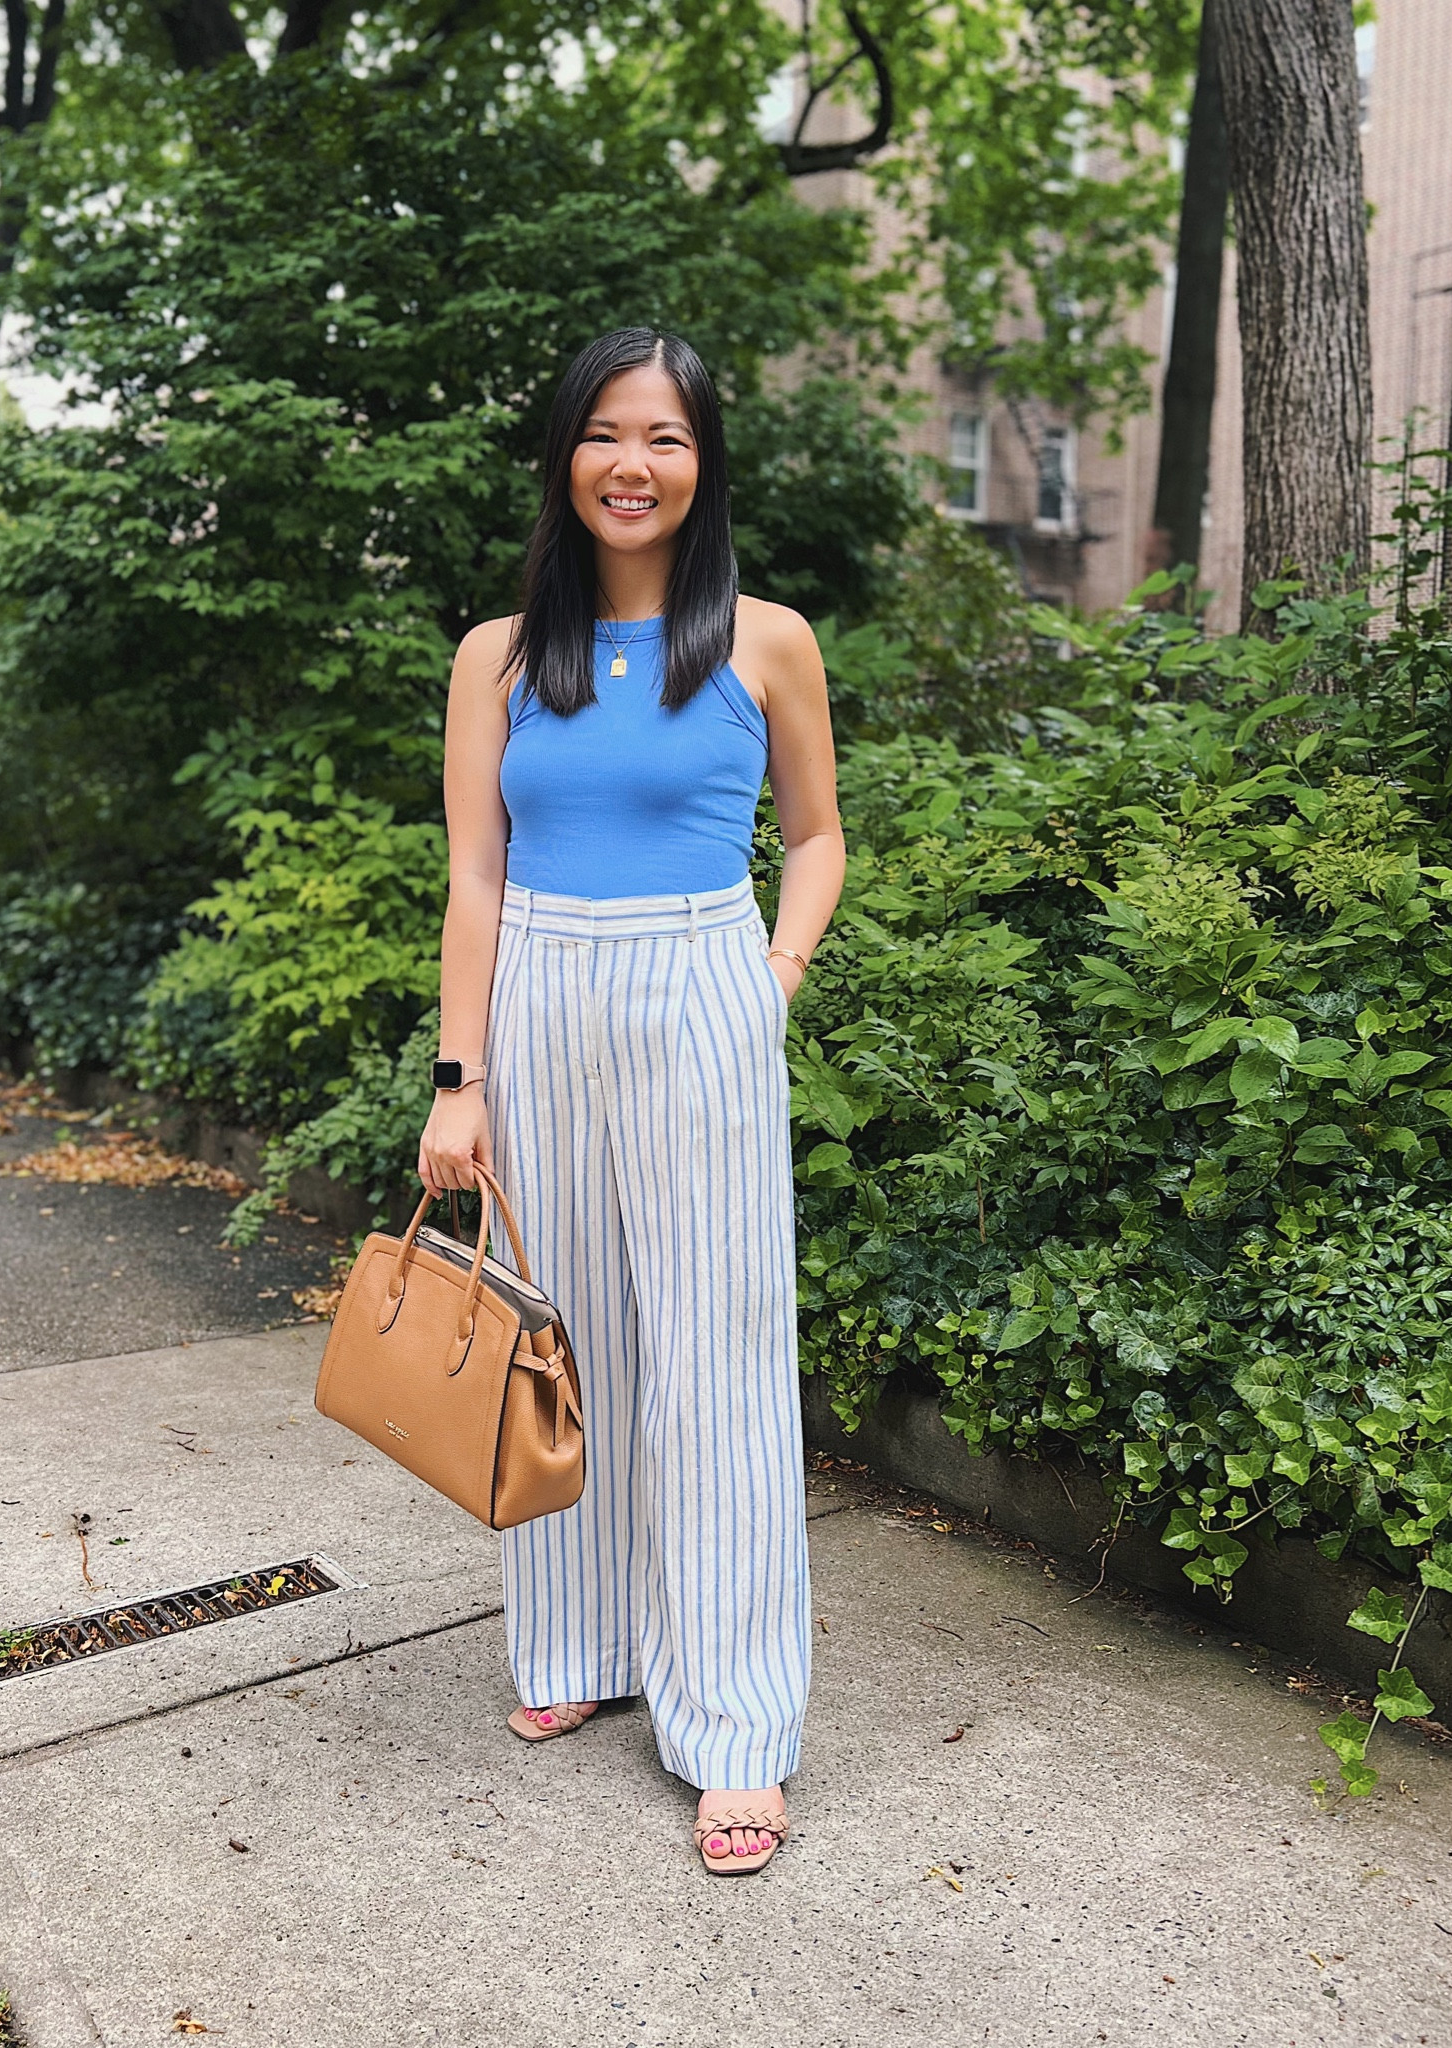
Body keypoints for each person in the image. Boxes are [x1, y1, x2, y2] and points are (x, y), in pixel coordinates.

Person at [417, 326, 845, 1876]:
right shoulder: (494, 656)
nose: (633, 464)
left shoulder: (766, 643)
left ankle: (734, 1725)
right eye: (606, 433)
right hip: (535, 993)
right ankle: (580, 1650)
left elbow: (814, 835)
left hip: (699, 986)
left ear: (702, 463)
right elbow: (475, 873)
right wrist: (456, 1078)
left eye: (664, 438)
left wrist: (773, 974)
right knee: (565, 1335)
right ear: (565, 456)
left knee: (714, 1358)